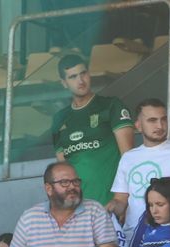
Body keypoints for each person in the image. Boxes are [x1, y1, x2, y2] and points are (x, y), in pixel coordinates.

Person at [108, 98, 170, 233]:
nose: (160, 126)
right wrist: (109, 207)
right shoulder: (128, 157)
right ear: (138, 125)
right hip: (133, 236)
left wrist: (169, 208)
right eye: (152, 120)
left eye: (163, 119)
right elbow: (120, 200)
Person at [51, 54, 135, 205]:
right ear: (64, 83)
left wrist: (121, 200)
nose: (81, 81)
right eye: (73, 77)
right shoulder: (59, 119)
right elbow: (63, 170)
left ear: (89, 74)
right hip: (78, 209)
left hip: (112, 205)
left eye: (83, 73)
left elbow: (129, 158)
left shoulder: (111, 106)